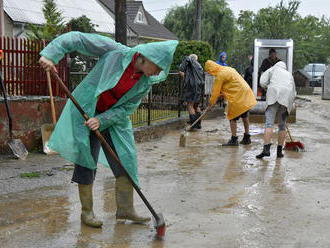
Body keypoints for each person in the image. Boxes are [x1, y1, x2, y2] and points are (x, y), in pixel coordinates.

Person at [39, 31, 178, 228]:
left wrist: (102, 120)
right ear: (147, 58)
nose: (158, 73)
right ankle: (87, 213)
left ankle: (125, 209)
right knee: (86, 160)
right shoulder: (114, 52)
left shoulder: (146, 82)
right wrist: (51, 54)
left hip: (113, 119)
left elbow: (127, 108)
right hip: (86, 110)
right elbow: (77, 38)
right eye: (159, 67)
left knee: (127, 159)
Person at [205, 60, 257, 146]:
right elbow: (231, 84)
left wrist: (210, 104)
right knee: (244, 115)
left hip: (237, 96)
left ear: (211, 70)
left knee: (232, 117)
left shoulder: (220, 75)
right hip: (245, 93)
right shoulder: (229, 69)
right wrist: (222, 94)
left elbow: (215, 92)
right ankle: (247, 137)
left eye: (209, 71)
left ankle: (234, 139)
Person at [256, 61, 296, 159]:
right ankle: (279, 152)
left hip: (273, 96)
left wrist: (267, 88)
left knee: (269, 124)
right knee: (282, 126)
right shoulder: (289, 74)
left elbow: (262, 82)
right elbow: (294, 92)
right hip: (285, 98)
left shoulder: (273, 69)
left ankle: (266, 149)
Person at [179, 54, 204, 129]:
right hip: (199, 87)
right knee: (196, 105)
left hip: (192, 87)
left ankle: (194, 125)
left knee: (190, 105)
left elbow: (181, 70)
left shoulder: (189, 60)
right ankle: (198, 123)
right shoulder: (199, 66)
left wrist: (183, 75)